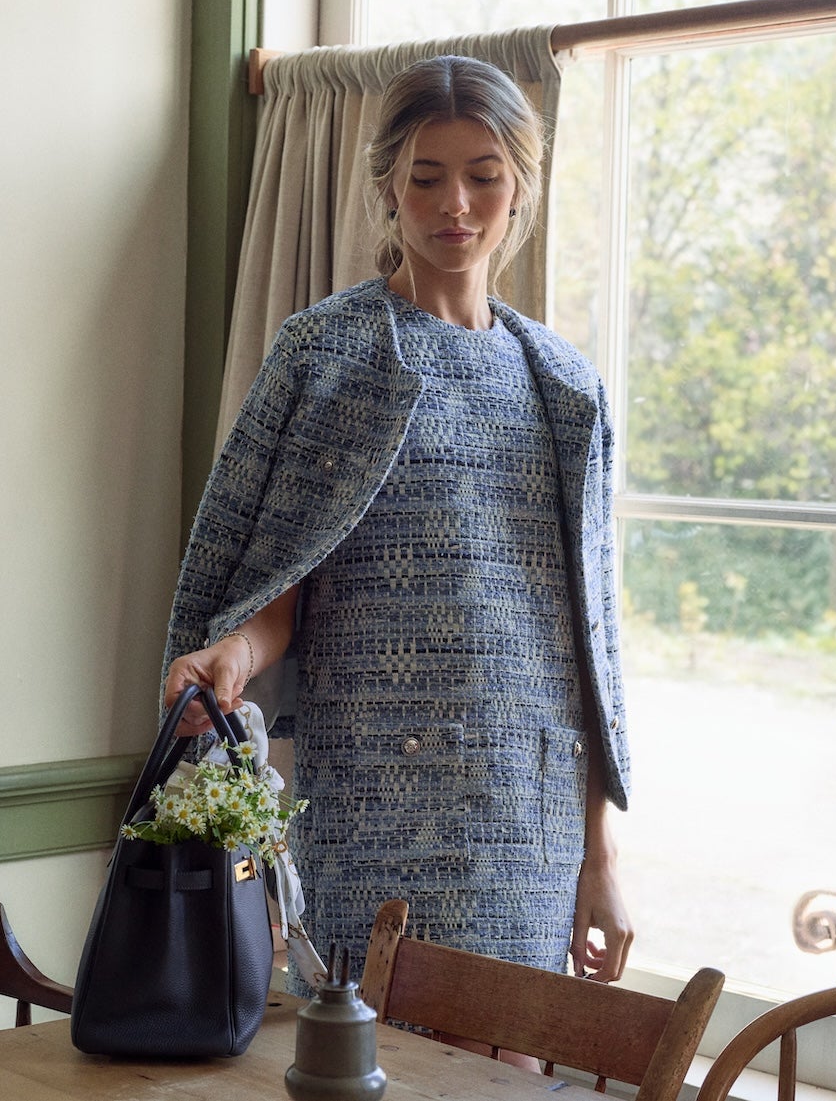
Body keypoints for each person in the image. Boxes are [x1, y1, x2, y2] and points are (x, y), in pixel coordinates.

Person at [161, 54, 634, 993]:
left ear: (520, 189)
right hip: (371, 813)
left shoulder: (566, 387)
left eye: (483, 176)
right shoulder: (326, 355)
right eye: (426, 177)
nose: (454, 203)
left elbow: (587, 650)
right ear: (387, 186)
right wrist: (233, 657)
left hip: (529, 828)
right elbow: (275, 593)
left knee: (507, 1077)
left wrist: (601, 860)